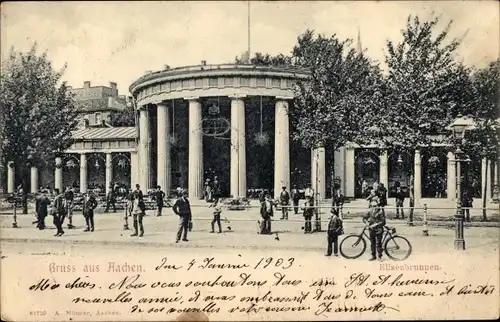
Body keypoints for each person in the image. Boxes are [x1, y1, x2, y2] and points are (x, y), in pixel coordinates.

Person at [363, 196, 386, 261]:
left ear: (377, 205)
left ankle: (379, 256)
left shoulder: (381, 211)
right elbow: (364, 218)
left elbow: (383, 222)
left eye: (375, 206)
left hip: (379, 229)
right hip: (371, 229)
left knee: (378, 243)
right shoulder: (370, 211)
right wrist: (366, 222)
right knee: (372, 243)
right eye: (372, 206)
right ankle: (373, 256)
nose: (374, 207)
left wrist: (376, 224)